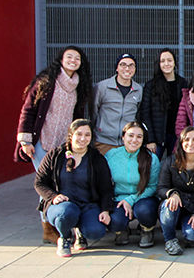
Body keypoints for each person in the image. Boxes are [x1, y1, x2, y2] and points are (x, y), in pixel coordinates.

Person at [16, 46, 93, 244]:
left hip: (65, 144)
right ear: (61, 59)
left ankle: (60, 223)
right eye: (69, 57)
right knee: (48, 184)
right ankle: (48, 228)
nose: (73, 61)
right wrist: (25, 140)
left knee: (64, 182)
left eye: (77, 58)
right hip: (42, 141)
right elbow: (28, 109)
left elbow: (78, 116)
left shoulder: (78, 85)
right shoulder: (47, 81)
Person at [34, 119, 115, 258]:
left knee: (96, 232)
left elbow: (106, 187)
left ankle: (81, 232)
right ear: (71, 135)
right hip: (63, 205)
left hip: (88, 204)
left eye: (87, 135)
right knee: (66, 214)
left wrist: (105, 210)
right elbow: (39, 182)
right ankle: (64, 238)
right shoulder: (55, 155)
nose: (83, 139)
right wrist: (53, 196)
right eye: (79, 134)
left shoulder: (96, 159)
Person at [157, 126, 194, 256]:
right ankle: (170, 240)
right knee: (169, 204)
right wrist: (172, 193)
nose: (190, 143)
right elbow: (161, 188)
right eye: (186, 140)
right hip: (174, 206)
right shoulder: (170, 161)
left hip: (193, 208)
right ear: (181, 143)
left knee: (192, 236)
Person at [105, 122, 161, 248]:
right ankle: (121, 230)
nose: (134, 140)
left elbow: (153, 186)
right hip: (119, 198)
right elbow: (104, 183)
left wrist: (131, 200)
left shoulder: (151, 158)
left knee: (145, 211)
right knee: (115, 222)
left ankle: (146, 230)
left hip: (143, 197)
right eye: (130, 135)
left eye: (139, 137)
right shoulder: (111, 156)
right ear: (123, 137)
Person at [140, 49, 187, 158]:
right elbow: (145, 113)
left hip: (177, 135)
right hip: (156, 138)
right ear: (158, 64)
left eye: (169, 60)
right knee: (153, 168)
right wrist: (150, 139)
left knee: (175, 168)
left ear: (174, 63)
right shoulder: (150, 86)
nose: (166, 64)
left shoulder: (182, 83)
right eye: (163, 61)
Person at [93, 53, 143, 154]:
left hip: (127, 143)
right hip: (103, 142)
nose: (127, 68)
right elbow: (93, 111)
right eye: (123, 65)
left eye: (131, 65)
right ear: (117, 68)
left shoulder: (138, 90)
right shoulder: (102, 87)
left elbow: (138, 113)